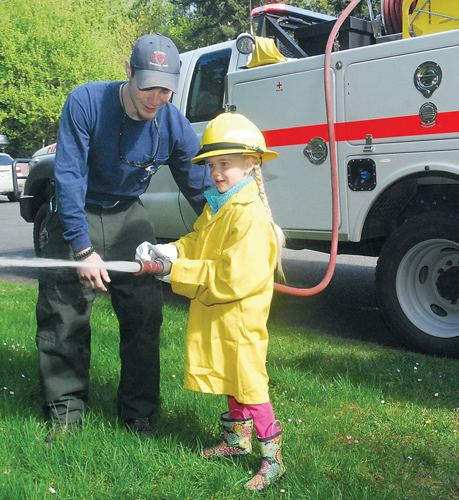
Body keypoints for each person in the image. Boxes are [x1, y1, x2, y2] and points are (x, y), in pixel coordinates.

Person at [35, 33, 212, 444]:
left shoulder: (171, 122)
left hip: (129, 216)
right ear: (129, 72)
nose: (155, 97)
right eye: (148, 85)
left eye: (165, 89)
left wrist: (235, 224)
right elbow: (70, 177)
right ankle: (65, 413)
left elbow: (200, 183)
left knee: (144, 319)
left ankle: (139, 414)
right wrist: (81, 249)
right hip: (76, 213)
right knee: (65, 317)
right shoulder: (86, 102)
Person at [135, 113, 287, 491]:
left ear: (251, 164)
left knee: (250, 384)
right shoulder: (221, 203)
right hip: (222, 315)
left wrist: (174, 271)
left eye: (226, 163)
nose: (217, 172)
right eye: (212, 164)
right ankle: (237, 441)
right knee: (230, 376)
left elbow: (231, 276)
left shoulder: (248, 216)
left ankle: (274, 460)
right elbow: (197, 242)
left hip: (240, 318)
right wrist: (169, 249)